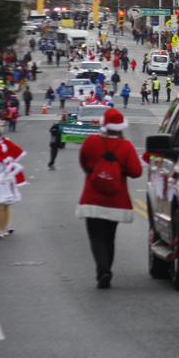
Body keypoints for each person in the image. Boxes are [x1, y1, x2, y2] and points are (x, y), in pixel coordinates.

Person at [75, 108, 143, 289]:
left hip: (92, 198)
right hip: (116, 199)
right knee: (109, 237)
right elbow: (136, 171)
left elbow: (83, 161)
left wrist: (93, 170)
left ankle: (103, 270)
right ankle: (106, 270)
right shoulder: (126, 146)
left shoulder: (91, 141)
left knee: (96, 237)